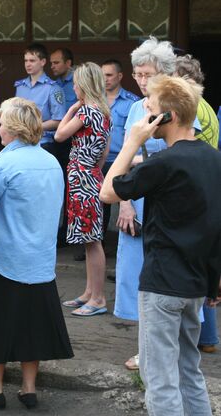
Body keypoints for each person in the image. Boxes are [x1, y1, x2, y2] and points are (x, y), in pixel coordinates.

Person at [100, 74, 221, 416]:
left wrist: (129, 143)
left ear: (166, 116)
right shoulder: (214, 159)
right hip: (195, 284)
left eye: (148, 110)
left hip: (163, 285)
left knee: (161, 380)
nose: (143, 118)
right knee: (189, 372)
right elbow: (216, 226)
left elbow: (108, 192)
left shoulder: (163, 162)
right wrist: (213, 279)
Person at [0, 97, 72, 410]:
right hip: (40, 257)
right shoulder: (51, 161)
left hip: (4, 257)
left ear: (11, 129)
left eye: (2, 122)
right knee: (34, 323)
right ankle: (28, 388)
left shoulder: (2, 163)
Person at [113, 36, 181, 370]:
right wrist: (124, 203)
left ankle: (171, 350)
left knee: (167, 273)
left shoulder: (180, 106)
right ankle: (145, 347)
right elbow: (127, 154)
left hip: (168, 198)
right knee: (137, 275)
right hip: (138, 199)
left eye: (148, 74)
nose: (141, 81)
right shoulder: (135, 108)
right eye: (137, 74)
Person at [55, 62, 111, 317]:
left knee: (92, 239)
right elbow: (105, 152)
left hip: (81, 178)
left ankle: (97, 298)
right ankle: (90, 292)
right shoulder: (105, 112)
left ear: (84, 85)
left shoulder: (86, 111)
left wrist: (70, 110)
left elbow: (59, 135)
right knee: (91, 239)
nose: (74, 87)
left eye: (76, 83)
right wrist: (90, 169)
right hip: (92, 175)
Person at [174, 54, 220, 354]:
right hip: (208, 187)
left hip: (196, 190)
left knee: (194, 264)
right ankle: (208, 338)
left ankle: (201, 338)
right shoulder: (209, 109)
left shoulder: (193, 110)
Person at [15, 43, 68, 244]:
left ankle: (46, 235)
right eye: (26, 60)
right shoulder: (20, 86)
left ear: (43, 62)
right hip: (21, 145)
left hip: (43, 144)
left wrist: (34, 127)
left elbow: (58, 119)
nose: (28, 65)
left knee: (42, 194)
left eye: (32, 60)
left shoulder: (53, 88)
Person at [100, 59, 140, 255]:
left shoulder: (133, 102)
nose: (105, 79)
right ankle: (95, 245)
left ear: (120, 76)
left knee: (125, 205)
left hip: (121, 161)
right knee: (99, 206)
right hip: (98, 161)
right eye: (102, 75)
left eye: (109, 75)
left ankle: (122, 250)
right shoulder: (95, 100)